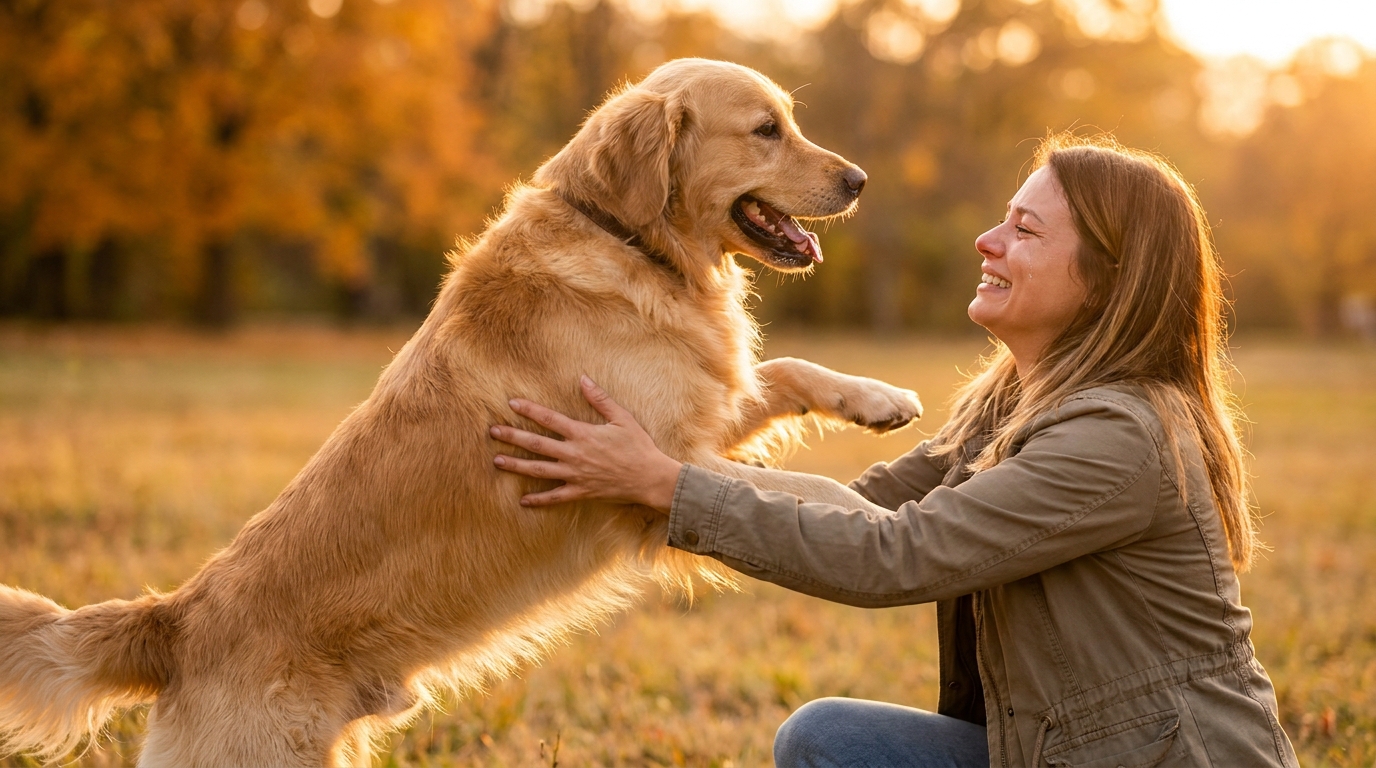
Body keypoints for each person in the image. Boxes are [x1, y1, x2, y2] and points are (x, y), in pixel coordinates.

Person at [487, 134, 1298, 767]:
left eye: (1024, 229)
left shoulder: (1118, 438)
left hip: (1160, 759)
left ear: (1107, 278)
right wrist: (674, 470)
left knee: (827, 737)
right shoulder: (1014, 405)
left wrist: (670, 486)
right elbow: (874, 505)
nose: (986, 241)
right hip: (1055, 751)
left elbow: (896, 555)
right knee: (828, 740)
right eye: (1000, 219)